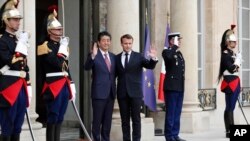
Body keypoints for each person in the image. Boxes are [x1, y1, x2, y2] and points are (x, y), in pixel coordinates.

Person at [37, 8, 76, 141]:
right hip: (52, 85)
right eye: (58, 29)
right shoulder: (44, 46)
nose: (60, 31)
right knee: (53, 116)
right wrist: (62, 49)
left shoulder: (62, 45)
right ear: (50, 31)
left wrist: (71, 83)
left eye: (61, 29)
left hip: (64, 84)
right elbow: (56, 63)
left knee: (60, 116)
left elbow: (66, 67)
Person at [116, 34, 158, 141]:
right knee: (124, 121)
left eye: (130, 43)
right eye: (125, 43)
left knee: (136, 119)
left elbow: (150, 65)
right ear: (121, 44)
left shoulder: (138, 56)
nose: (128, 46)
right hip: (122, 93)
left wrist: (153, 58)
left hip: (135, 93)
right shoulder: (116, 58)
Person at [0, 0, 32, 140]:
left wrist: (28, 82)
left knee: (18, 125)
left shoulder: (17, 40)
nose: (18, 22)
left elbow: (25, 65)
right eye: (15, 19)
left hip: (20, 85)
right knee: (7, 125)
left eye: (19, 19)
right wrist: (21, 46)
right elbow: (10, 61)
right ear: (6, 21)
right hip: (8, 87)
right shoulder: (2, 40)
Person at [84, 31, 116, 141]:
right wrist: (92, 55)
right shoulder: (94, 55)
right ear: (98, 42)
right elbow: (86, 67)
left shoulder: (113, 57)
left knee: (107, 123)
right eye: (103, 40)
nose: (106, 43)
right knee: (97, 122)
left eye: (108, 40)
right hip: (98, 94)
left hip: (111, 94)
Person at [218, 26, 241, 138]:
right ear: (228, 42)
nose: (235, 44)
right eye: (233, 42)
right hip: (230, 82)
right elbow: (232, 69)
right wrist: (237, 62)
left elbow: (236, 70)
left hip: (236, 81)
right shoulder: (225, 54)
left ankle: (232, 129)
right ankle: (229, 131)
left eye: (235, 42)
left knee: (232, 107)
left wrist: (236, 62)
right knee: (229, 107)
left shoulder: (232, 53)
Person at [162, 32, 186, 141]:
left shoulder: (179, 53)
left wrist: (176, 48)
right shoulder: (167, 51)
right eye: (177, 39)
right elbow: (168, 57)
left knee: (177, 112)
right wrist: (174, 46)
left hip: (179, 87)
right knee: (171, 113)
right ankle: (169, 136)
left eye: (179, 40)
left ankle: (175, 134)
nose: (179, 41)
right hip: (171, 87)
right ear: (171, 41)